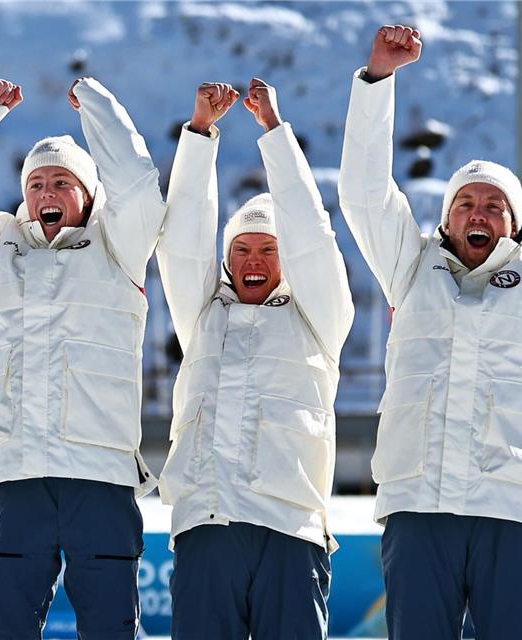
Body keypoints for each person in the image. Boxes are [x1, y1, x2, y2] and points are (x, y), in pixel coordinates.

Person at [0, 74, 165, 638]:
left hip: (98, 475)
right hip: (15, 474)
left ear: (88, 194)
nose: (46, 194)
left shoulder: (120, 245)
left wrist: (97, 108)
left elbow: (139, 187)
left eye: (61, 182)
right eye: (36, 184)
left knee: (109, 632)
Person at [339, 25, 522, 639]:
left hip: (510, 504)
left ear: (514, 222)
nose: (478, 214)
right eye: (466, 203)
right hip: (419, 506)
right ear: (446, 215)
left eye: (493, 206)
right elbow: (364, 193)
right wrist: (377, 80)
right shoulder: (410, 264)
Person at [156, 78, 354, 639]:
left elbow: (313, 234)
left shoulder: (319, 320)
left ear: (287, 260)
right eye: (241, 249)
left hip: (288, 528)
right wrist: (198, 134)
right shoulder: (202, 315)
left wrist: (274, 133)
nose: (253, 259)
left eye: (269, 249)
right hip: (207, 525)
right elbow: (184, 237)